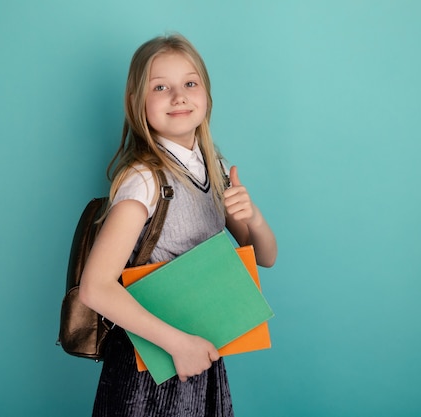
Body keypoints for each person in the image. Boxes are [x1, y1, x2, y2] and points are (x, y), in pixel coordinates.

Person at [79, 33, 277, 417]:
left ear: (206, 94)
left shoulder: (214, 166)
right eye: (160, 87)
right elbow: (95, 287)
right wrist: (177, 344)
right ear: (137, 103)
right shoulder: (145, 179)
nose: (179, 96)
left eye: (189, 83)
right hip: (152, 366)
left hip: (200, 351)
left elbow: (266, 256)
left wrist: (253, 217)